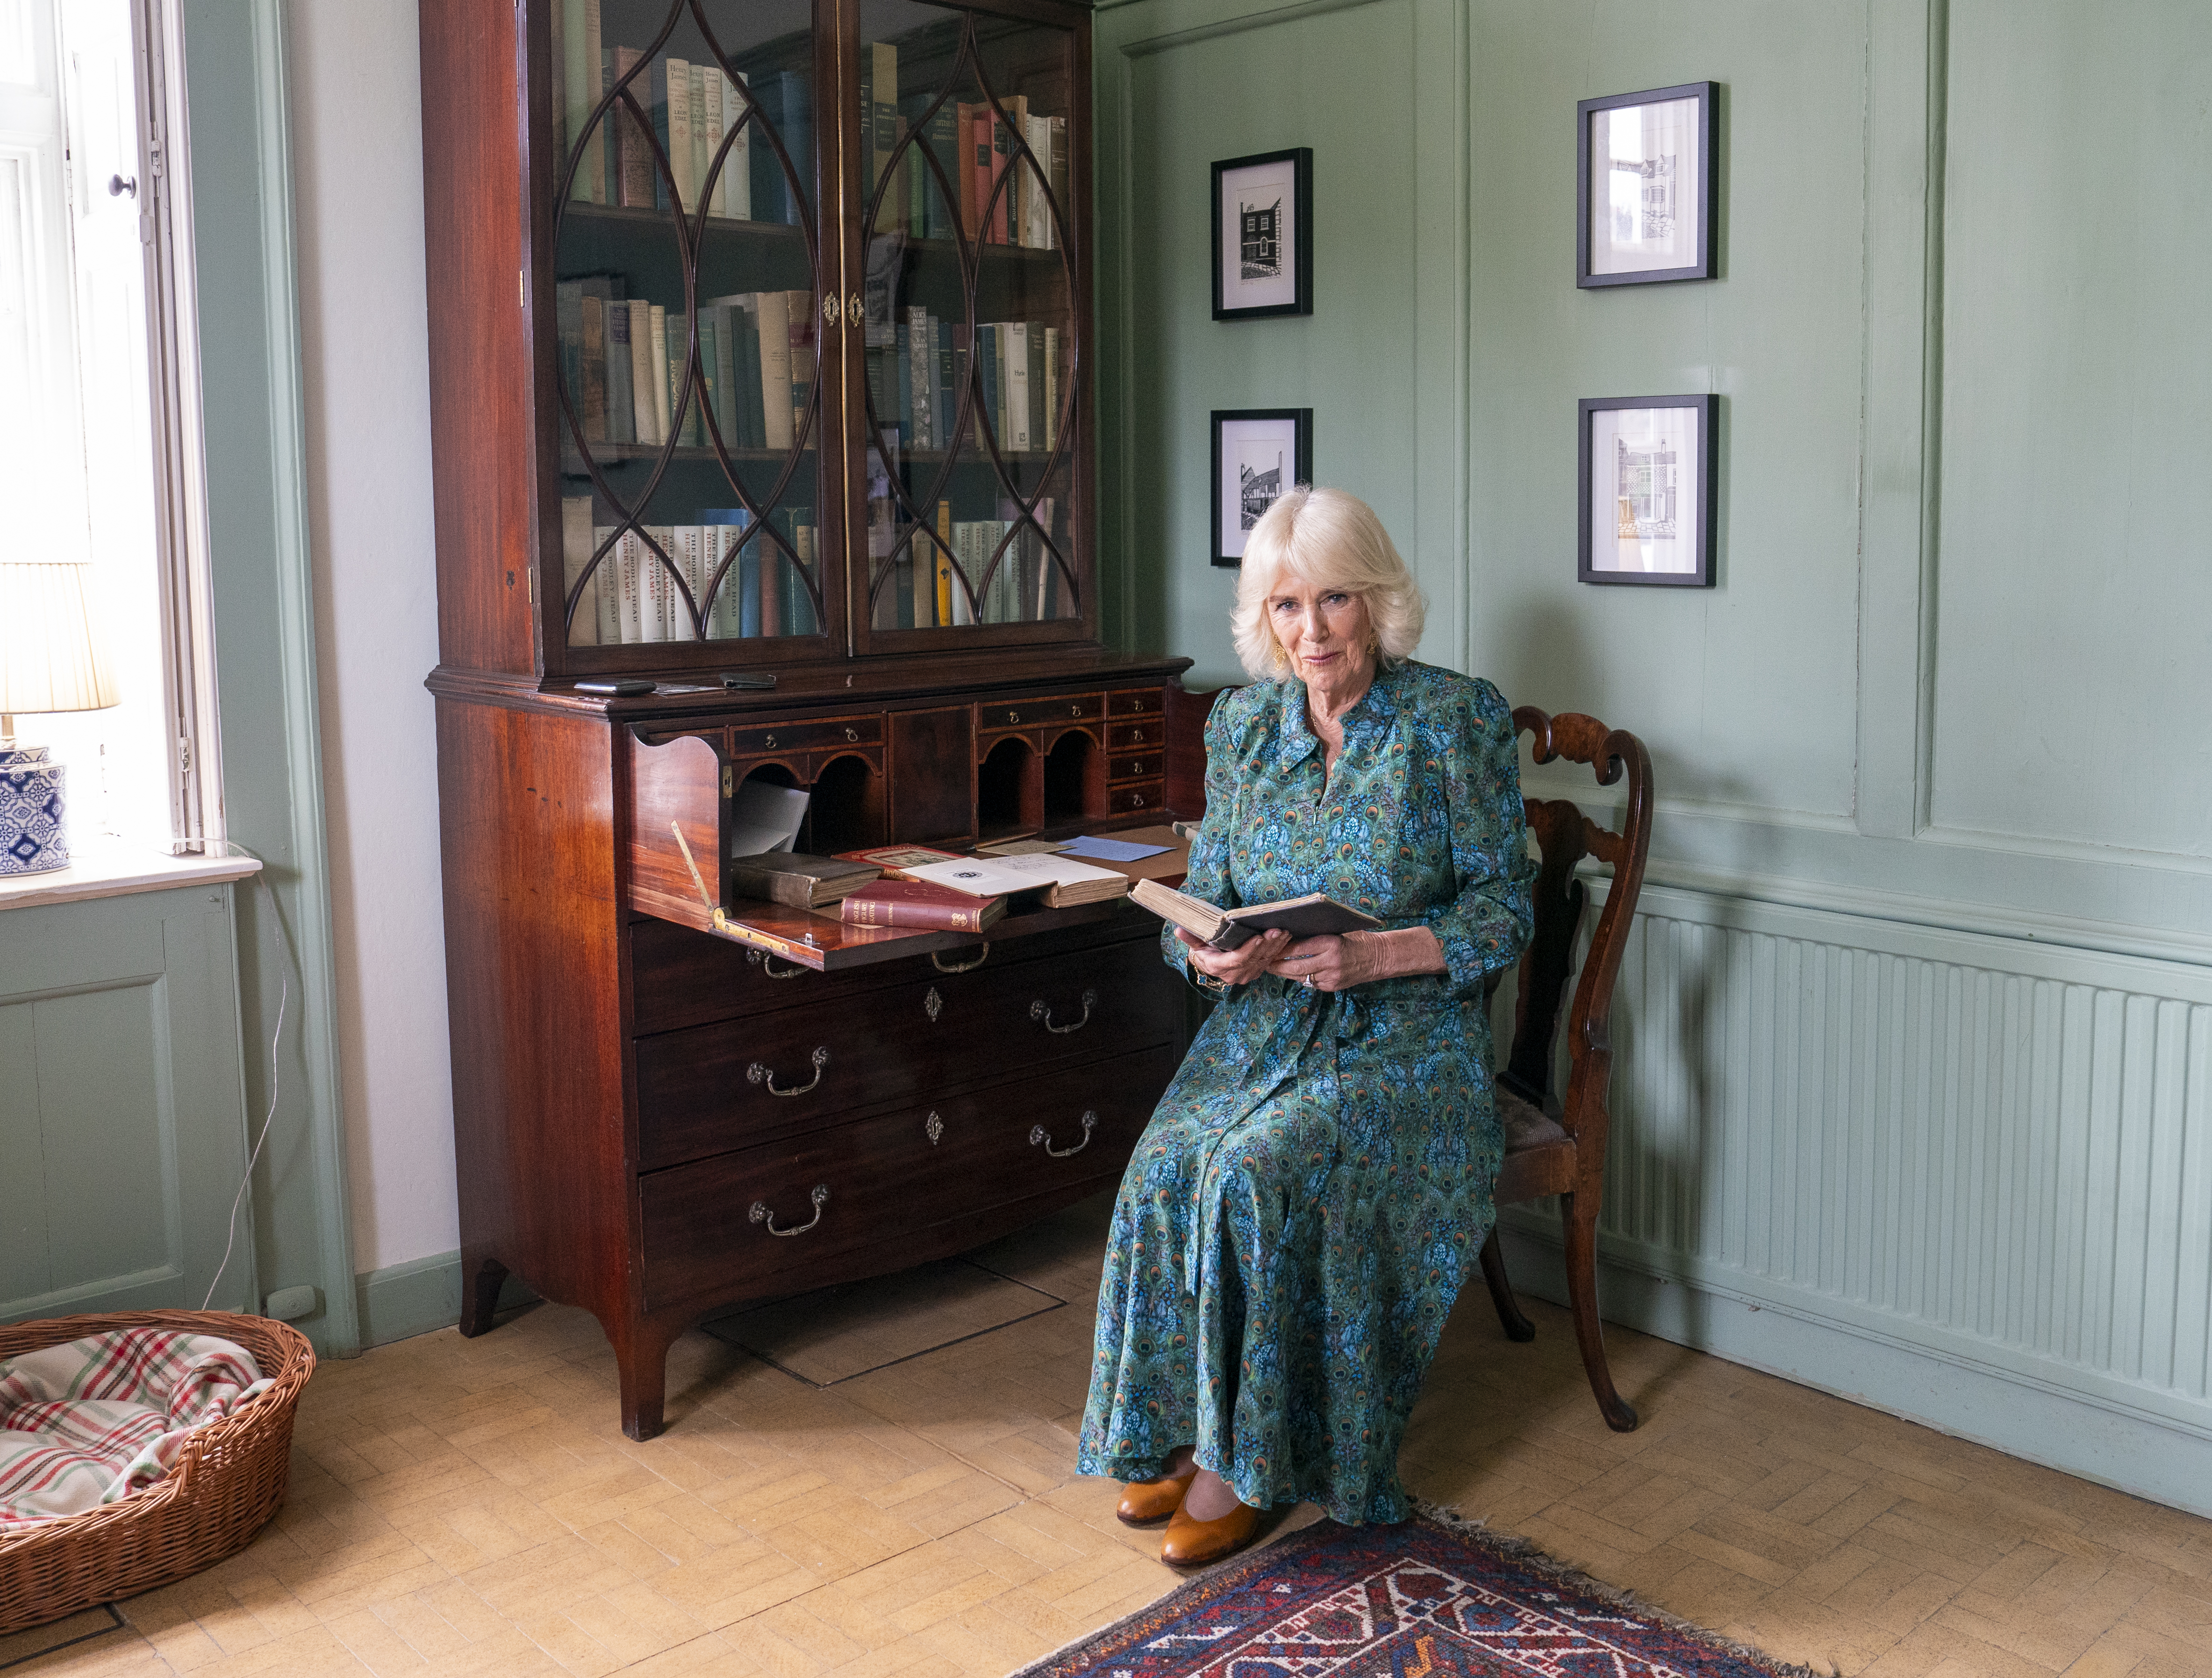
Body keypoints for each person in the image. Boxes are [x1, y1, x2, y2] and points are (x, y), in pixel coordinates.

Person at [1076, 486, 1536, 1565]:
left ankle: (1253, 1464)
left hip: (1407, 1044)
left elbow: (1503, 906)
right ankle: (1178, 1431)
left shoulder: (1453, 719)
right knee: (1166, 1163)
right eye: (1287, 606)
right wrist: (1204, 949)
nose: (1313, 631)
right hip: (1260, 1033)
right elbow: (1211, 890)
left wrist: (1383, 951)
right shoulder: (1240, 723)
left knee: (1253, 1172)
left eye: (1335, 600)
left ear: (1378, 601)